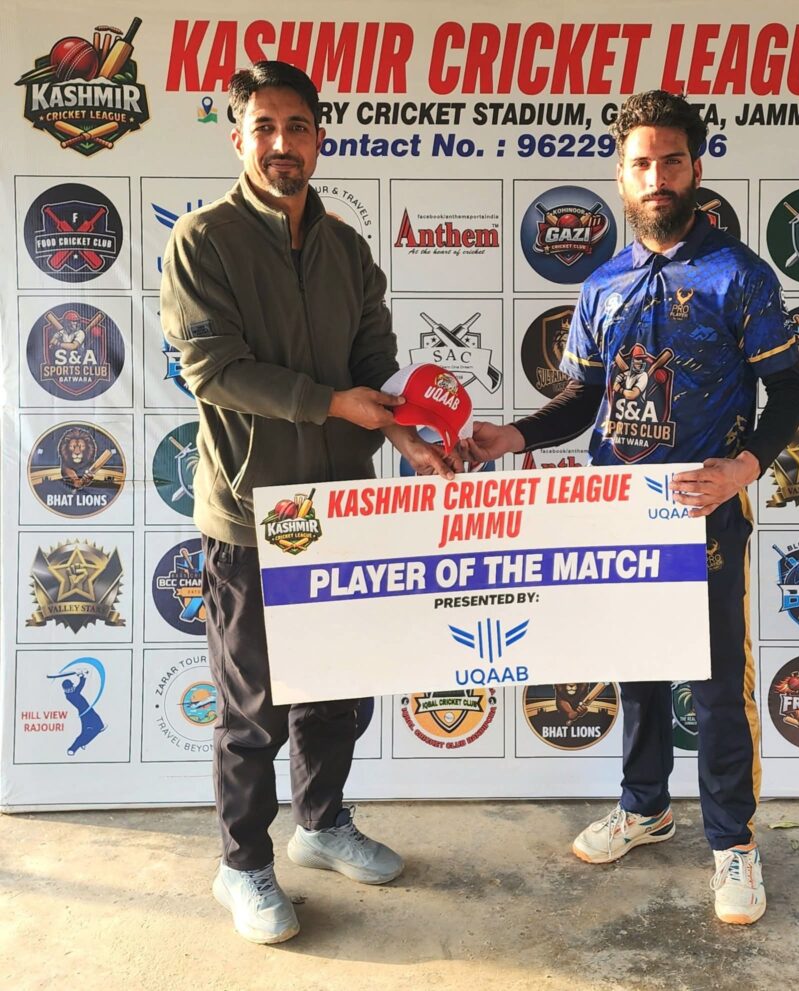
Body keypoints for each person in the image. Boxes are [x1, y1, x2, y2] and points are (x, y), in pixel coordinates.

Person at [467, 90, 799, 925]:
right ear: (621, 176)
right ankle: (645, 805)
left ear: (696, 168)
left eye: (672, 161)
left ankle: (733, 841)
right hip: (616, 513)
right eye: (642, 164)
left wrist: (743, 469)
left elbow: (790, 393)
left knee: (716, 685)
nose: (657, 178)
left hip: (702, 516)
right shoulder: (602, 283)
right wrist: (513, 435)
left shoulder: (740, 274)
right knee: (640, 673)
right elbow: (583, 399)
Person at [161, 60, 452, 945]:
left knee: (334, 692)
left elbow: (374, 365)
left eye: (297, 127)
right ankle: (243, 863)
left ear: (319, 138)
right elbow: (213, 368)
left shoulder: (348, 249)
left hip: (344, 514)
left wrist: (409, 434)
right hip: (252, 514)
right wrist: (329, 405)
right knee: (253, 707)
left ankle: (321, 825)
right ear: (237, 137)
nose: (282, 144)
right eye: (265, 127)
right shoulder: (203, 240)